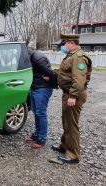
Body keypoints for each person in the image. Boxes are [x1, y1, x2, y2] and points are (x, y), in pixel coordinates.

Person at [51, 33, 92, 164]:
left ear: (71, 43)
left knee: (72, 124)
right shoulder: (71, 56)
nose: (63, 46)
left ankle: (73, 154)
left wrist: (73, 95)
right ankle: (65, 146)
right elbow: (67, 73)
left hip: (73, 95)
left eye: (64, 43)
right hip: (68, 93)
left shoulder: (78, 57)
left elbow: (79, 80)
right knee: (66, 121)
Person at [26, 49, 57, 149]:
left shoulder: (38, 57)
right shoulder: (30, 57)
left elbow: (50, 73)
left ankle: (42, 138)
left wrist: (52, 81)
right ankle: (37, 134)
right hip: (35, 87)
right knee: (36, 112)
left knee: (41, 113)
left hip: (42, 88)